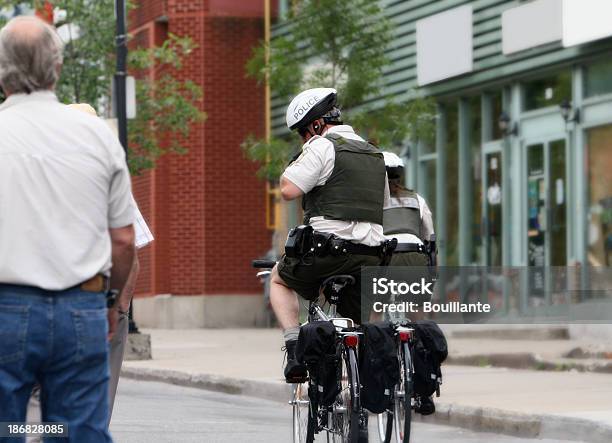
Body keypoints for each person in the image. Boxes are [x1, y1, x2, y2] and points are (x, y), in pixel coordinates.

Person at [0, 16, 135, 443]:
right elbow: (125, 238)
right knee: (74, 432)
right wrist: (112, 304)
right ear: (56, 69)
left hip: (6, 308)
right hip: (82, 305)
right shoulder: (96, 136)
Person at [270, 87, 391, 383]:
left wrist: (296, 162)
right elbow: (383, 205)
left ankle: (294, 344)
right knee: (355, 328)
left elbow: (288, 190)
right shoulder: (375, 155)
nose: (304, 139)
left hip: (328, 253)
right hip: (370, 256)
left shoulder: (322, 146)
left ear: (315, 124)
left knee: (278, 278)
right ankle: (356, 403)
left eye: (302, 132)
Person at [382, 151, 435, 268]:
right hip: (415, 255)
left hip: (386, 258)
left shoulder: (372, 201)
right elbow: (430, 237)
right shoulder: (417, 199)